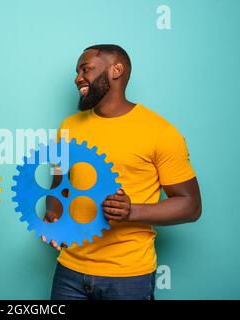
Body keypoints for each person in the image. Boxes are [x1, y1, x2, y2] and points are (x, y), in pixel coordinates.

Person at [43, 44, 202, 300]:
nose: (77, 78)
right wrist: (53, 215)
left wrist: (131, 211)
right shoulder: (68, 127)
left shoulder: (160, 132)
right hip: (68, 271)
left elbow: (191, 205)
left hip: (129, 277)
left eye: (86, 69)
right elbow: (57, 185)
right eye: (76, 71)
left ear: (116, 70)